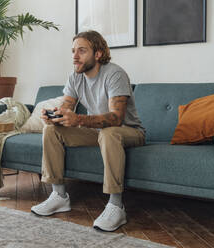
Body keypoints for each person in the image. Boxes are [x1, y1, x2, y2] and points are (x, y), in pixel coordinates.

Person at [30, 30, 145, 232]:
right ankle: (59, 195)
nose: (75, 56)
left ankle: (116, 206)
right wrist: (54, 116)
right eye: (73, 51)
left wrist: (80, 119)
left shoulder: (114, 74)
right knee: (51, 130)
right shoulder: (75, 77)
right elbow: (66, 108)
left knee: (109, 133)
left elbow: (116, 118)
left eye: (81, 51)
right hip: (97, 132)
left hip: (129, 131)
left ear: (98, 54)